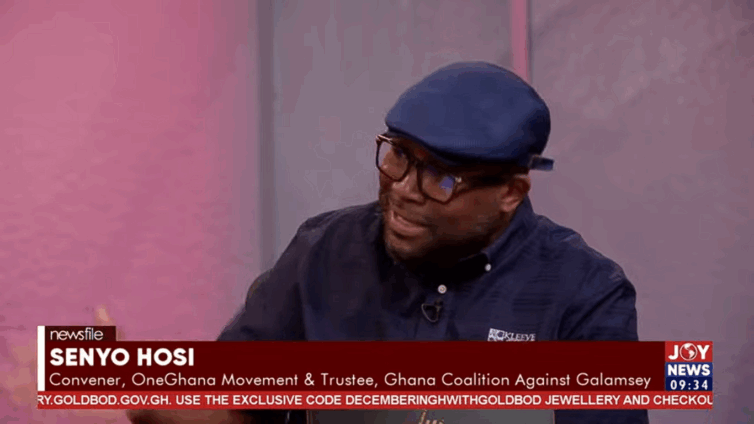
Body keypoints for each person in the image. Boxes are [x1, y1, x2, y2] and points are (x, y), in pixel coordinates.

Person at [127, 61, 648, 424]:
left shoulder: (584, 292)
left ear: (509, 193)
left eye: (440, 177)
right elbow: (235, 407)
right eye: (398, 154)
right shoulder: (324, 250)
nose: (402, 189)